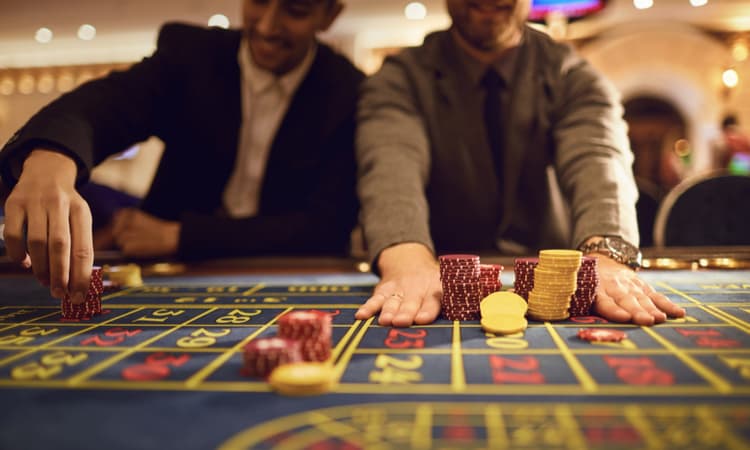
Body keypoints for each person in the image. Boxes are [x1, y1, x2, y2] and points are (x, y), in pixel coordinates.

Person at [0, 0, 363, 304]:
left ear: (329, 15)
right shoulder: (190, 56)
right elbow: (103, 106)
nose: (267, 26)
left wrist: (181, 235)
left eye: (295, 10)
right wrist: (53, 153)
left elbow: (325, 226)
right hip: (161, 279)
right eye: (258, 1)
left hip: (292, 277)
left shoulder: (349, 91)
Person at [354, 0, 686, 327]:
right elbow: (390, 163)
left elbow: (598, 159)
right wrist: (406, 260)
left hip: (548, 283)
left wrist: (606, 254)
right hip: (434, 279)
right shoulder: (399, 79)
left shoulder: (574, 75)